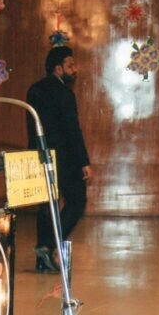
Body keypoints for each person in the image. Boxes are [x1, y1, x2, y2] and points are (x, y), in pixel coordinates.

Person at [26, 45, 93, 274]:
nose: (75, 70)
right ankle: (48, 244)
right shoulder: (65, 93)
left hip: (40, 155)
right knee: (77, 201)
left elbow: (31, 127)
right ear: (58, 68)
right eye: (70, 65)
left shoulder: (34, 90)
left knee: (46, 206)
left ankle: (42, 260)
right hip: (65, 158)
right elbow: (73, 130)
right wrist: (84, 161)